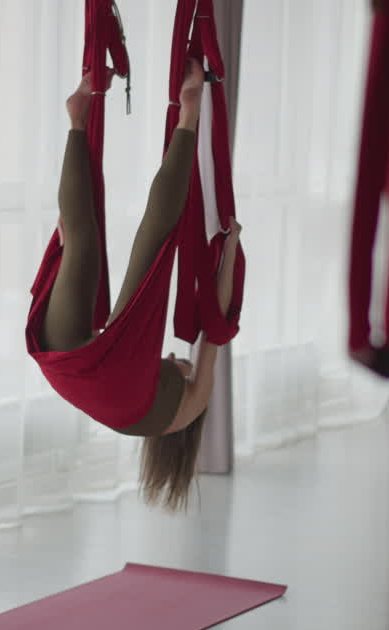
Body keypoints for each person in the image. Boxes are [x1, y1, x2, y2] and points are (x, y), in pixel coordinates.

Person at [39, 58, 241, 510]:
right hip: (64, 367)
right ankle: (77, 119)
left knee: (158, 234)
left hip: (103, 369)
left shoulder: (191, 406)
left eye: (176, 362)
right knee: (81, 238)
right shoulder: (144, 416)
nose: (173, 356)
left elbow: (217, 326)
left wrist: (230, 254)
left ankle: (190, 112)